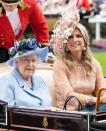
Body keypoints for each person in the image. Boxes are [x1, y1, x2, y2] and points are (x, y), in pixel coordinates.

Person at [53, 22, 106, 112]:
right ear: (66, 42)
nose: (74, 39)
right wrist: (96, 100)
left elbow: (102, 89)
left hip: (95, 107)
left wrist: (102, 98)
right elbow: (68, 95)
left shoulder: (94, 63)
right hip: (73, 111)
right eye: (70, 37)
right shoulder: (59, 64)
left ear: (85, 41)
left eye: (78, 36)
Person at [0, 38, 52, 108]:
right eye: (25, 60)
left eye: (33, 60)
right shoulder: (7, 81)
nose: (30, 64)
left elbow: (48, 105)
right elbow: (7, 112)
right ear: (16, 62)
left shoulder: (40, 79)